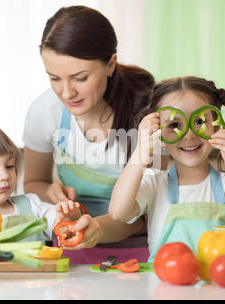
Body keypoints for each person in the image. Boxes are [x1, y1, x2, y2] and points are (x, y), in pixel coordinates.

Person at [22, 6, 155, 263]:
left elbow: (147, 211)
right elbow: (33, 183)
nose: (67, 92)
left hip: (138, 253)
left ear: (110, 64)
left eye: (80, 78)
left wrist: (96, 229)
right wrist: (50, 192)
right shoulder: (45, 112)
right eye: (54, 78)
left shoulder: (146, 115)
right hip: (69, 247)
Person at [109, 76, 225, 262]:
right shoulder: (155, 182)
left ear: (216, 126)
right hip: (163, 288)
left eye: (199, 122)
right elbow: (118, 212)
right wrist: (141, 152)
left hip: (216, 287)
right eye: (174, 125)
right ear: (160, 135)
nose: (189, 135)